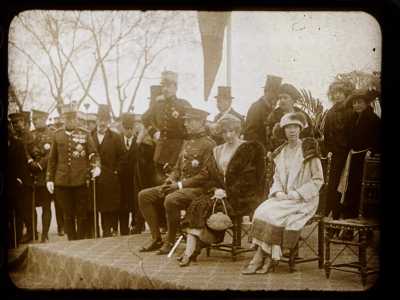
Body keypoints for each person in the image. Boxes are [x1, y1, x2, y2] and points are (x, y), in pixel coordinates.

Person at [178, 114, 266, 267]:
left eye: (232, 131)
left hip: (242, 196)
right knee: (197, 203)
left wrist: (228, 192)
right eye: (224, 132)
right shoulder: (218, 150)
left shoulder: (248, 148)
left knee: (208, 207)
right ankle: (190, 251)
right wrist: (216, 190)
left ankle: (192, 251)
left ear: (238, 130)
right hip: (219, 193)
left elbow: (249, 178)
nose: (228, 135)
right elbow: (211, 176)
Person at [242, 112, 323, 275]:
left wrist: (297, 194)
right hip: (284, 197)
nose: (292, 131)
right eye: (288, 127)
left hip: (304, 199)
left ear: (300, 129)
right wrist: (278, 192)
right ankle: (270, 256)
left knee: (272, 215)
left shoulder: (308, 150)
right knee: (260, 211)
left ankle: (259, 258)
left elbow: (317, 179)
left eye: (295, 127)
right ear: (283, 130)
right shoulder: (281, 152)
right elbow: (277, 177)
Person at [138, 108, 216, 253]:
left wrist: (179, 185)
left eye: (190, 120)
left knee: (171, 199)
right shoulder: (186, 143)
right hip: (180, 187)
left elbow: (205, 176)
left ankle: (170, 241)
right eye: (185, 120)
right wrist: (170, 179)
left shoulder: (209, 145)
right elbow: (178, 167)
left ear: (200, 122)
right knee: (144, 195)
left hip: (199, 190)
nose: (186, 124)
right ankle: (156, 239)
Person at [46, 101, 101, 241]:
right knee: (67, 212)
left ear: (77, 118)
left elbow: (93, 154)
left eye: (73, 118)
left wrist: (97, 167)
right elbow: (52, 159)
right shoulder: (57, 135)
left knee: (81, 212)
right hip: (62, 181)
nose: (71, 121)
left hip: (81, 180)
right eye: (67, 118)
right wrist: (49, 179)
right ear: (63, 119)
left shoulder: (85, 134)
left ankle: (81, 240)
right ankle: (71, 240)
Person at [338, 89, 381, 241]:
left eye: (360, 102)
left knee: (363, 193)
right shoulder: (352, 119)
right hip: (353, 158)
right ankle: (349, 228)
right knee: (350, 191)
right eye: (354, 102)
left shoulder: (374, 120)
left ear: (366, 102)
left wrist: (372, 154)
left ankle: (366, 232)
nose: (357, 105)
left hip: (366, 160)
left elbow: (377, 141)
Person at [141, 71, 192, 186]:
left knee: (173, 183)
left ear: (175, 88)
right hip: (161, 149)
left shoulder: (183, 105)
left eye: (169, 86)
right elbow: (145, 118)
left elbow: (191, 122)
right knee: (159, 183)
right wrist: (153, 133)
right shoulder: (158, 105)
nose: (165, 89)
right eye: (163, 86)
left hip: (177, 149)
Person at [86, 105, 126, 238]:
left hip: (109, 179)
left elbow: (122, 156)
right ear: (96, 119)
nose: (103, 123)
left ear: (109, 121)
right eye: (101, 119)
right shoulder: (88, 135)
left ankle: (107, 232)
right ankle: (93, 233)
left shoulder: (116, 137)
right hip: (92, 178)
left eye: (106, 120)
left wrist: (116, 172)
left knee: (107, 209)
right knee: (92, 207)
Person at [323, 81, 355, 237]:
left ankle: (348, 225)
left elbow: (352, 133)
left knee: (347, 188)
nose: (338, 95)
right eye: (335, 93)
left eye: (341, 92)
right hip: (334, 155)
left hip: (348, 154)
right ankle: (334, 223)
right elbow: (327, 133)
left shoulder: (351, 112)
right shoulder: (330, 112)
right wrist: (331, 149)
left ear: (346, 94)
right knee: (333, 187)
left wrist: (345, 149)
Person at [8, 112, 37, 243]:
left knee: (28, 206)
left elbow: (34, 154)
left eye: (17, 122)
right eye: (13, 123)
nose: (15, 125)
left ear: (24, 122)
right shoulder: (13, 137)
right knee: (20, 207)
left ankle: (32, 231)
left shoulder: (30, 136)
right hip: (18, 178)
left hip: (28, 176)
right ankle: (24, 232)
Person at [29, 109, 54, 243]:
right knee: (31, 206)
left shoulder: (52, 134)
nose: (33, 121)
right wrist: (30, 161)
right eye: (33, 119)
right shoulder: (30, 135)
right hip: (32, 175)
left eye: (36, 118)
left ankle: (45, 234)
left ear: (44, 119)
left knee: (46, 206)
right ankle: (33, 233)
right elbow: (25, 150)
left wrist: (40, 165)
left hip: (45, 175)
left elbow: (52, 154)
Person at [265, 83, 314, 152]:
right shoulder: (273, 117)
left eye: (285, 98)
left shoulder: (303, 115)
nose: (282, 100)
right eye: (280, 98)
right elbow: (269, 140)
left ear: (293, 100)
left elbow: (309, 135)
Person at [130, 114, 158, 234]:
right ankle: (140, 222)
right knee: (140, 193)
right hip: (142, 165)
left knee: (148, 193)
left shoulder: (153, 127)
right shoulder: (146, 128)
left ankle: (149, 223)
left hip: (151, 165)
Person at [243, 75, 283, 150]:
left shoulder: (270, 107)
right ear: (266, 92)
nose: (276, 97)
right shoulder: (256, 107)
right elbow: (250, 133)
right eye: (274, 93)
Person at [7, 120, 29, 248]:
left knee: (18, 213)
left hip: (16, 185)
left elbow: (23, 165)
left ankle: (16, 239)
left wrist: (20, 179)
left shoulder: (18, 144)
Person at [119, 113, 138, 236]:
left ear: (135, 127)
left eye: (131, 128)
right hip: (121, 180)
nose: (129, 131)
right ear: (122, 127)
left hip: (135, 180)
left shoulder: (139, 142)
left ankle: (136, 229)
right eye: (126, 128)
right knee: (122, 207)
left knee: (136, 206)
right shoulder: (117, 140)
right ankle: (123, 231)